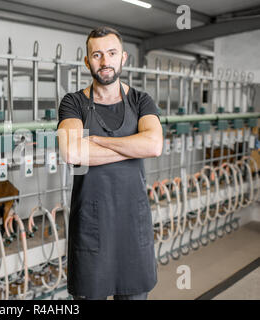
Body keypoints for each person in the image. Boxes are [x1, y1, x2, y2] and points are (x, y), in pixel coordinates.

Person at [57, 26, 163, 300]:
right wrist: (132, 146)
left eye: (112, 53)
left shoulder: (141, 101)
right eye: (97, 55)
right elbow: (72, 153)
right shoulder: (73, 102)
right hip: (91, 225)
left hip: (133, 223)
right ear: (87, 61)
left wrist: (95, 142)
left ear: (123, 57)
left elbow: (153, 145)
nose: (105, 62)